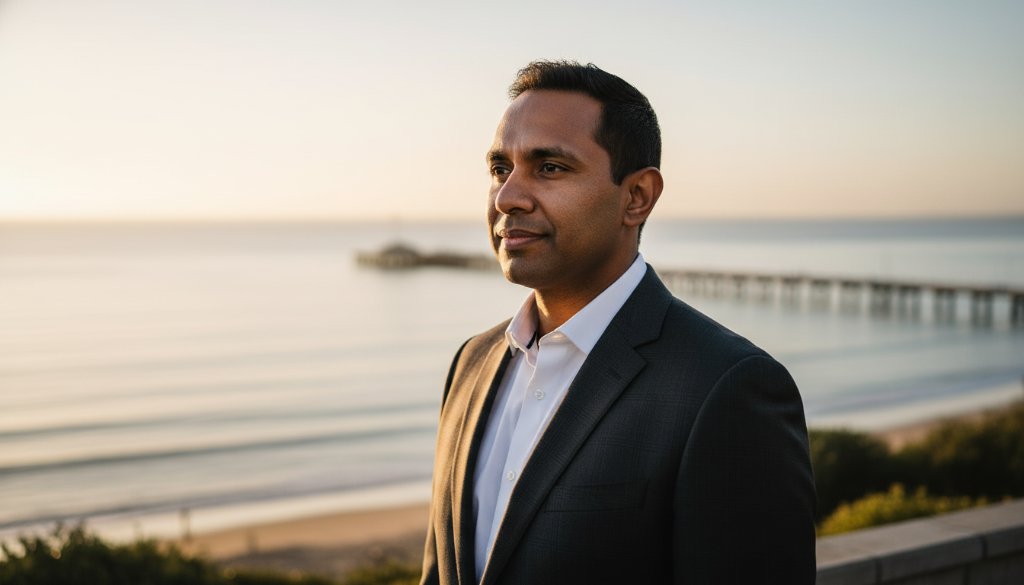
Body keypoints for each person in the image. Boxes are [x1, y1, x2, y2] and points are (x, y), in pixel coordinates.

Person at [420, 60, 816, 585]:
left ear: (637, 197)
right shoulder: (470, 363)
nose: (506, 197)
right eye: (500, 168)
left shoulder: (727, 388)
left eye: (549, 167)